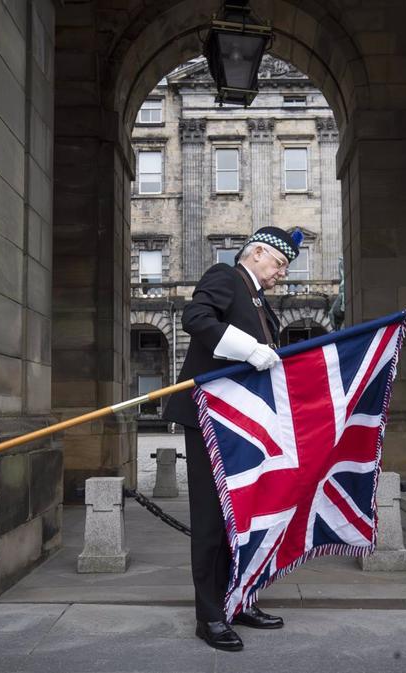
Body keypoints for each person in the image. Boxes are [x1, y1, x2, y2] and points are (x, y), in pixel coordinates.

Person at [162, 226, 302, 652]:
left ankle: (237, 600)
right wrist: (248, 348)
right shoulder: (225, 277)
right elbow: (196, 319)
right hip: (210, 417)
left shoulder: (260, 299)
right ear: (256, 252)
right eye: (279, 263)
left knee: (239, 516)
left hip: (241, 423)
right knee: (210, 520)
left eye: (285, 268)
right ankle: (210, 616)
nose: (282, 273)